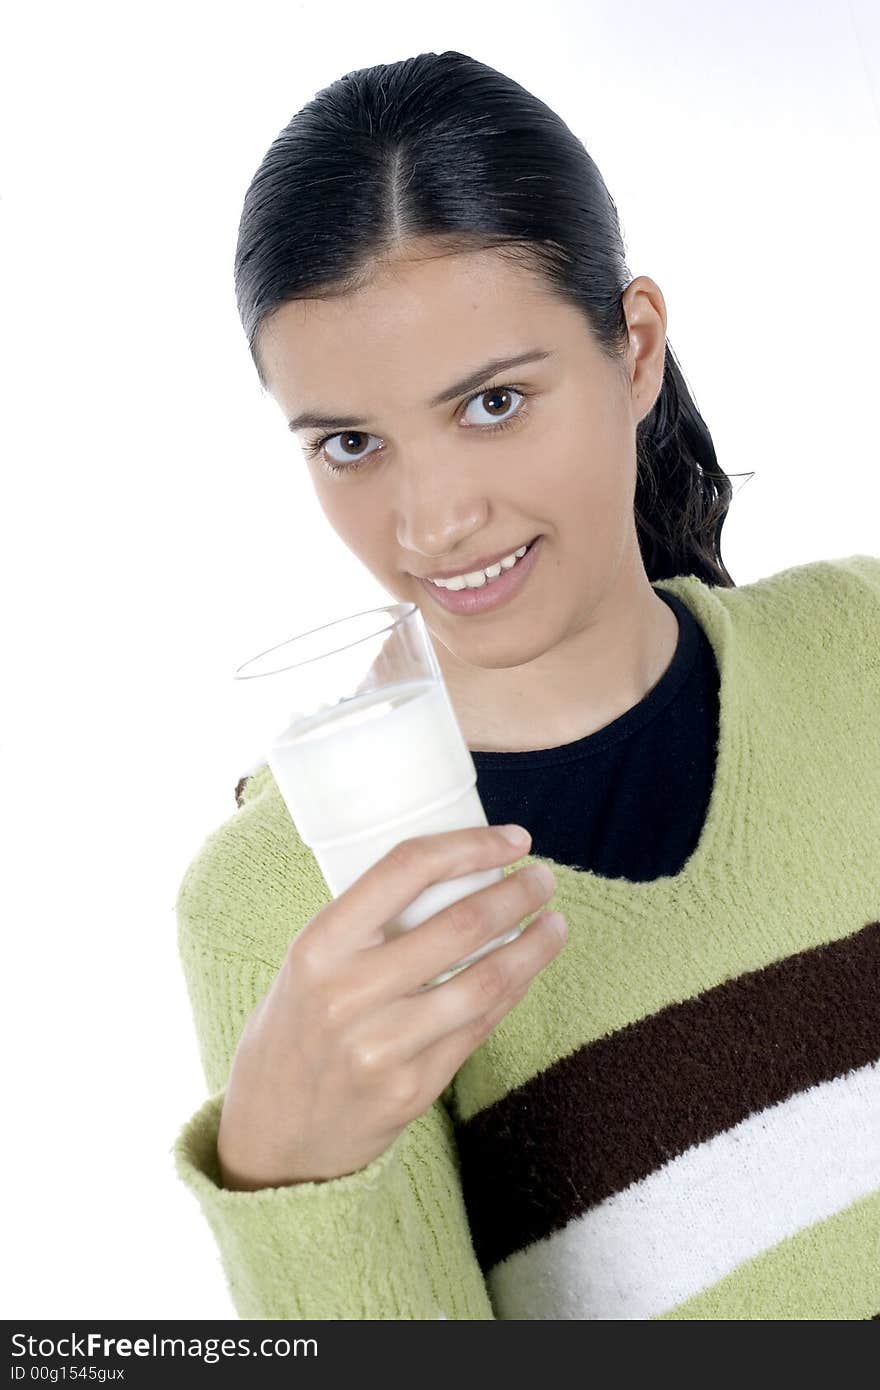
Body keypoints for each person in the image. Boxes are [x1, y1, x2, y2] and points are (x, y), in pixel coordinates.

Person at [171, 50, 880, 1319]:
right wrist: (288, 1174)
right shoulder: (282, 904)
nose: (434, 520)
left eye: (493, 401)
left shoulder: (862, 642)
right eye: (349, 444)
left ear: (637, 350)